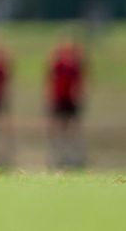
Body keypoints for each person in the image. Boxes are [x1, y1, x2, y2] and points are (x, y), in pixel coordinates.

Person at [47, 37, 85, 168]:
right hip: (59, 98)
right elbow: (50, 72)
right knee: (58, 126)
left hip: (70, 99)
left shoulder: (74, 65)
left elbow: (80, 79)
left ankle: (72, 154)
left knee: (72, 127)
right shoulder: (60, 64)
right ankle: (58, 153)